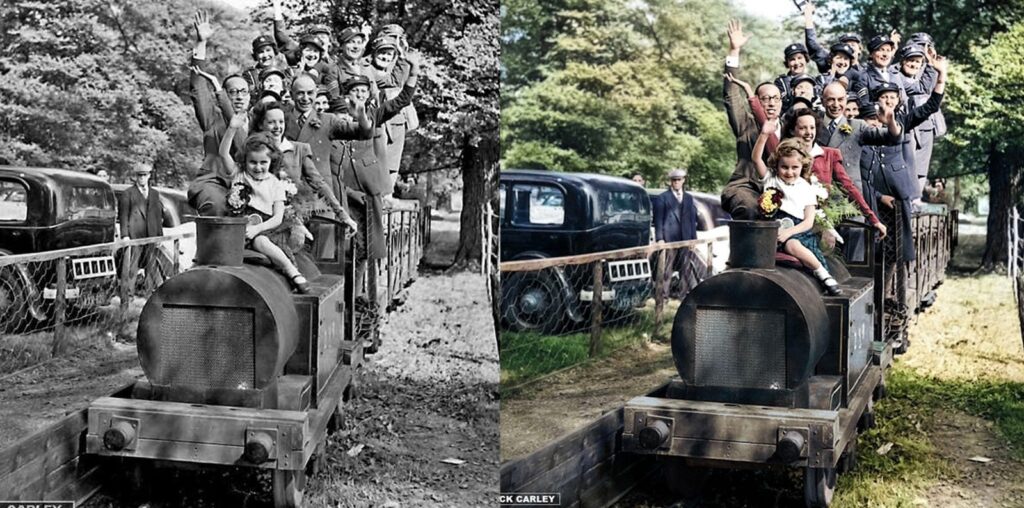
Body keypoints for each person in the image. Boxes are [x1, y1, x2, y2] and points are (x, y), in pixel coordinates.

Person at [219, 129, 311, 293]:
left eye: (263, 162)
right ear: (245, 161)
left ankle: (292, 271)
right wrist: (233, 128)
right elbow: (223, 153)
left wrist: (257, 229)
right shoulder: (239, 175)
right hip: (239, 227)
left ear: (271, 162)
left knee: (260, 241)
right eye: (252, 162)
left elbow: (277, 218)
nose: (258, 167)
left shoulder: (275, 184)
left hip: (268, 229)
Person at [752, 132, 840, 296]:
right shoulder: (771, 179)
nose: (789, 172)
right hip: (771, 229)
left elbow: (808, 221)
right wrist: (764, 134)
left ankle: (823, 274)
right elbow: (756, 159)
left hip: (798, 232)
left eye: (795, 168)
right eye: (784, 167)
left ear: (803, 166)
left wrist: (788, 234)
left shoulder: (805, 188)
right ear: (777, 165)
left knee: (792, 245)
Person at [784, 108, 888, 242]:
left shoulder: (828, 155)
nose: (809, 133)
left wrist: (873, 219)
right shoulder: (785, 155)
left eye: (812, 128)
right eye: (803, 128)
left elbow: (849, 187)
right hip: (791, 215)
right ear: (793, 130)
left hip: (821, 219)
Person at [721, 20, 779, 220]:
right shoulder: (746, 123)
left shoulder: (790, 129)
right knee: (750, 208)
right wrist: (734, 51)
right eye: (765, 98)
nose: (770, 103)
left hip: (779, 190)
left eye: (775, 98)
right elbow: (731, 95)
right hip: (746, 187)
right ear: (756, 101)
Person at [651, 169, 704, 297]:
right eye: (674, 180)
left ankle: (683, 294)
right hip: (669, 238)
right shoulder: (662, 198)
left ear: (683, 181)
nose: (676, 183)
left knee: (685, 268)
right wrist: (660, 238)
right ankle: (663, 294)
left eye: (679, 180)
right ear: (670, 182)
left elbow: (692, 220)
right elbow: (657, 220)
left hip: (685, 238)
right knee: (667, 268)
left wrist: (693, 239)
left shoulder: (688, 198)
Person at [118, 163, 168, 292]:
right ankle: (128, 294)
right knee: (132, 266)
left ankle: (150, 293)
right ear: (135, 177)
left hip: (150, 235)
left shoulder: (154, 194)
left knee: (151, 265)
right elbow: (123, 216)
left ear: (149, 176)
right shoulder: (128, 194)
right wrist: (124, 235)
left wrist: (159, 236)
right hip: (135, 235)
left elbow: (157, 216)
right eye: (139, 176)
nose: (142, 178)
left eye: (144, 175)